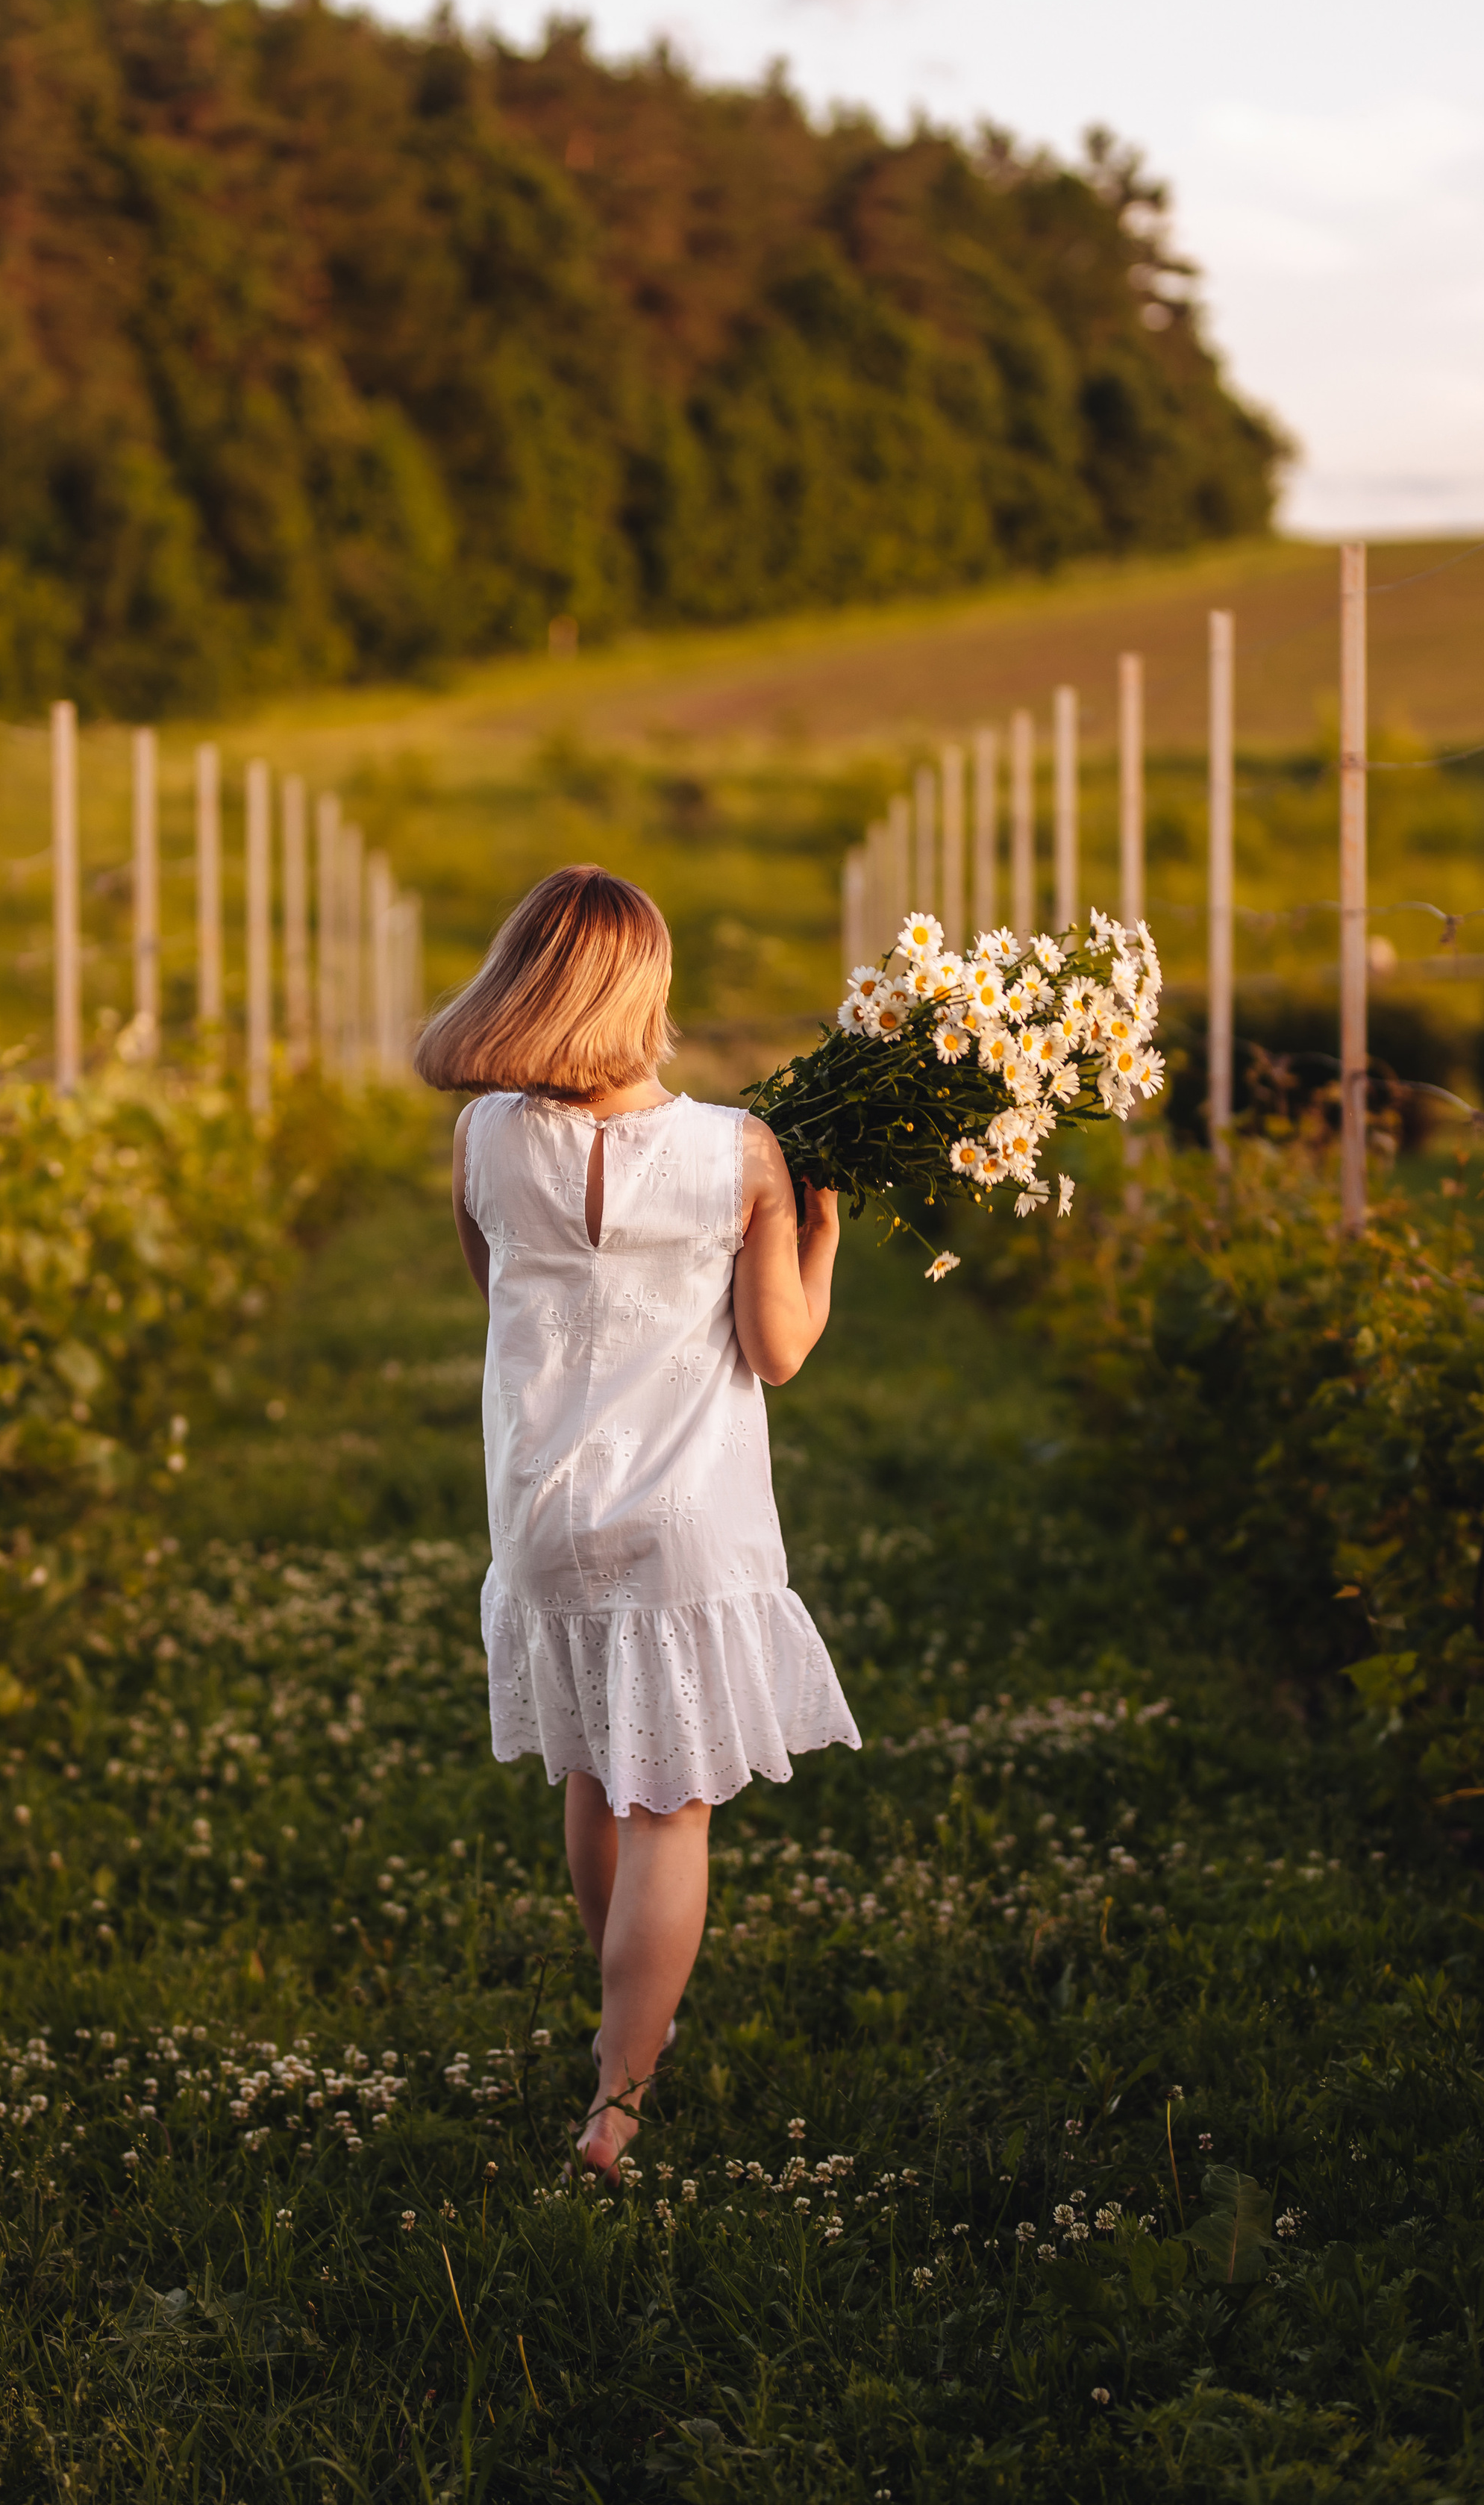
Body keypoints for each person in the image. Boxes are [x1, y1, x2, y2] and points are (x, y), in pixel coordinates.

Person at [416, 864, 859, 2177]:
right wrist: (819, 1230)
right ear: (645, 991)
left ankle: (612, 2037)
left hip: (546, 1516)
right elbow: (778, 1352)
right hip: (688, 1523)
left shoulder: (485, 1139)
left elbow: (496, 1292)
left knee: (596, 1777)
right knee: (676, 1810)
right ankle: (619, 2100)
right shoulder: (741, 1153)